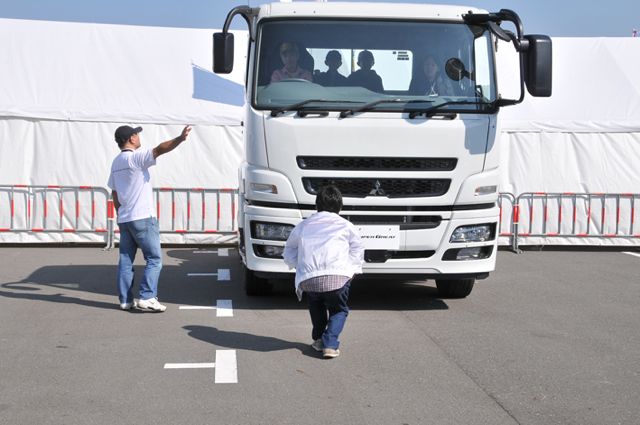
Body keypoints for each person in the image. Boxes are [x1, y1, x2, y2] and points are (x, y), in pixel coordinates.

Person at [107, 124, 191, 312]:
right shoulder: (136, 157)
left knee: (126, 260)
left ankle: (125, 300)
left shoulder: (115, 162)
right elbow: (160, 149)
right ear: (131, 139)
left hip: (125, 218)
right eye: (136, 134)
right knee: (154, 259)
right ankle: (147, 296)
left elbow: (114, 192)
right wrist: (179, 138)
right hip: (143, 216)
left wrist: (120, 212)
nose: (138, 136)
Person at [283, 185, 365, 359]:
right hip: (338, 277)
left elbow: (289, 249)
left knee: (316, 305)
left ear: (317, 206)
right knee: (338, 310)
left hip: (310, 278)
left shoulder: (303, 225)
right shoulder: (346, 225)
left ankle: (319, 339)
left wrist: (298, 267)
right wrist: (351, 269)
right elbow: (357, 249)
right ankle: (330, 344)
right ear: (340, 206)